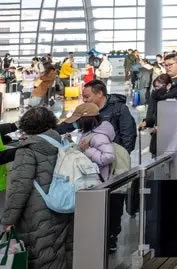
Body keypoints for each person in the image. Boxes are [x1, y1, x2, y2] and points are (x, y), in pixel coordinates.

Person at [1, 107, 72, 268]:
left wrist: (8, 219)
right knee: (57, 252)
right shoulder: (60, 143)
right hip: (60, 205)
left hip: (35, 213)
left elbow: (19, 187)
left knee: (40, 256)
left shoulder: (27, 150)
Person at [140, 73, 177, 156]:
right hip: (158, 140)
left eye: (158, 86)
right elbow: (154, 114)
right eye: (155, 87)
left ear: (168, 85)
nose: (156, 89)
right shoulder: (155, 96)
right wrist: (147, 122)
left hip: (174, 141)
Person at [65, 102, 116, 181]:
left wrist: (88, 150)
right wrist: (71, 142)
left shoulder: (98, 137)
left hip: (99, 179)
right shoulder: (89, 132)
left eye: (77, 121)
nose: (74, 123)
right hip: (92, 176)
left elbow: (109, 157)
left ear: (85, 120)